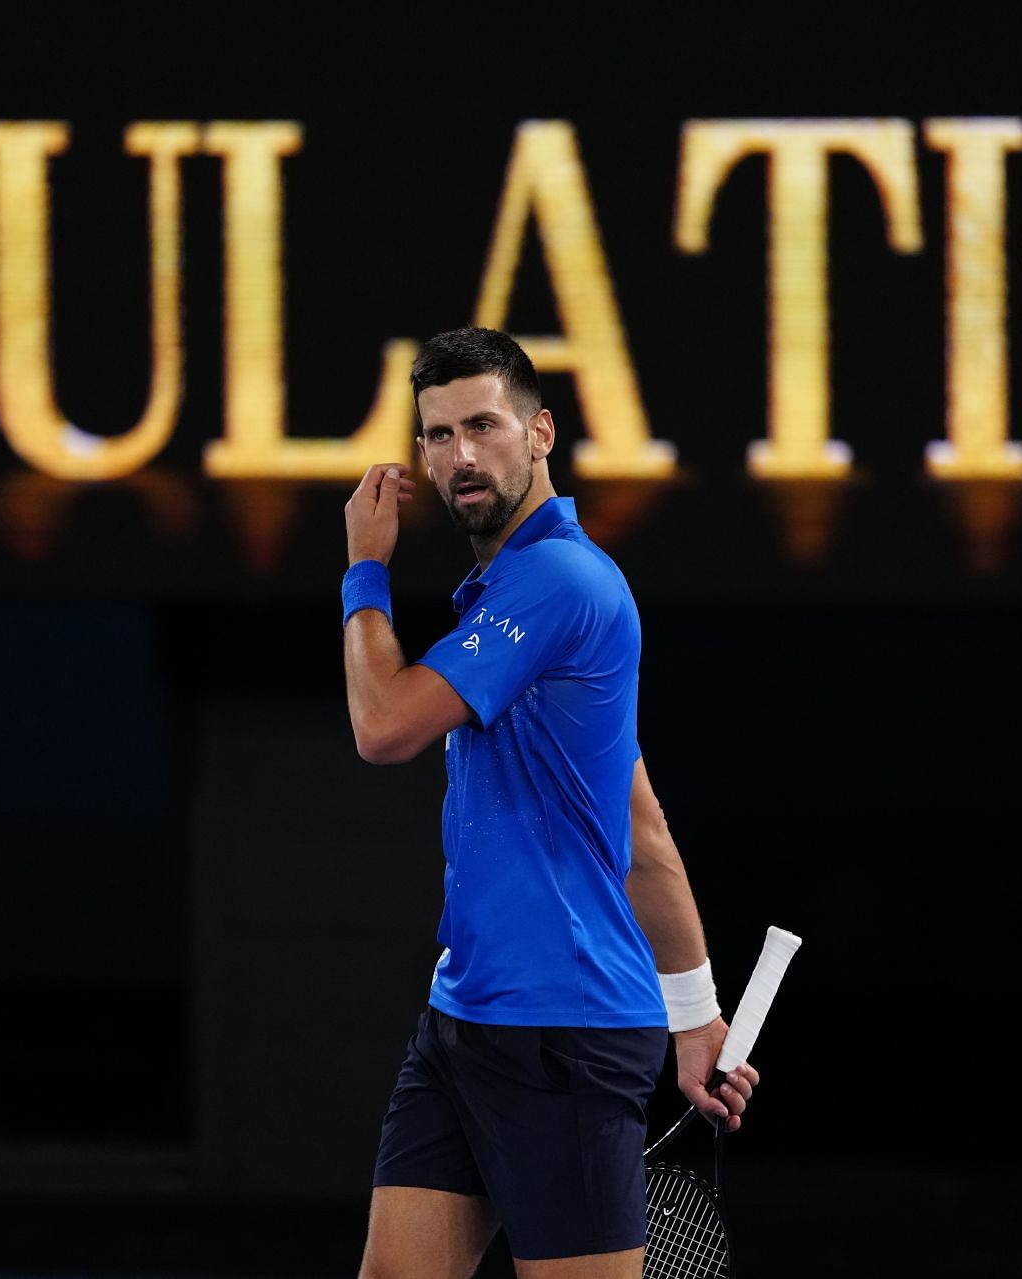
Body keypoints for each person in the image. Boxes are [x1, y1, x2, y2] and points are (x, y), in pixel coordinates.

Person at [341, 327, 757, 1278]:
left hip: (564, 1036)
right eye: (437, 435)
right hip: (464, 1021)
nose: (460, 455)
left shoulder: (558, 581)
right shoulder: (504, 597)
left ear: (540, 434)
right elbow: (639, 825)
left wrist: (365, 568)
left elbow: (383, 727)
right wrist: (694, 1016)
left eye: (482, 425)